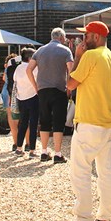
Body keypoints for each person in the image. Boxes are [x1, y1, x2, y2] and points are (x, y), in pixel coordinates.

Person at [59, 21, 111, 221]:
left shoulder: (90, 56)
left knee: (81, 170)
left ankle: (84, 219)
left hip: (88, 121)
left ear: (95, 36)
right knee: (105, 172)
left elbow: (70, 84)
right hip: (108, 123)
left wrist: (76, 56)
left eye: (86, 35)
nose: (83, 39)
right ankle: (105, 218)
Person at [27, 27, 73, 163]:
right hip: (59, 90)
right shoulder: (65, 51)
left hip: (42, 90)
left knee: (45, 121)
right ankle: (58, 153)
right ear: (61, 38)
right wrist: (69, 87)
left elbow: (29, 69)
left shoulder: (40, 51)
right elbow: (71, 69)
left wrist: (36, 87)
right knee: (58, 122)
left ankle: (44, 151)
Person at [14, 48, 39, 157]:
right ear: (30, 58)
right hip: (33, 96)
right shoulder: (34, 68)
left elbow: (15, 80)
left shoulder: (18, 68)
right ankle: (32, 150)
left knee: (22, 123)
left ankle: (19, 147)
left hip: (21, 97)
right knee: (33, 124)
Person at [2, 52, 20, 152]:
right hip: (18, 91)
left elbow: (5, 78)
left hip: (7, 91)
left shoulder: (8, 66)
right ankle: (27, 143)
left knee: (11, 118)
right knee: (23, 118)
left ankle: (15, 143)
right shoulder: (20, 66)